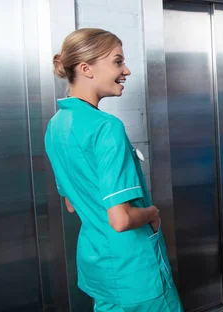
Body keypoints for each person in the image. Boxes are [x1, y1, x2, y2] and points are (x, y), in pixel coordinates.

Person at [45, 29, 183, 312]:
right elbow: (120, 220)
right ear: (86, 69)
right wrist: (152, 214)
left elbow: (72, 204)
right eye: (118, 62)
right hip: (133, 268)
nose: (127, 70)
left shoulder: (55, 126)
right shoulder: (106, 127)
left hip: (98, 265)